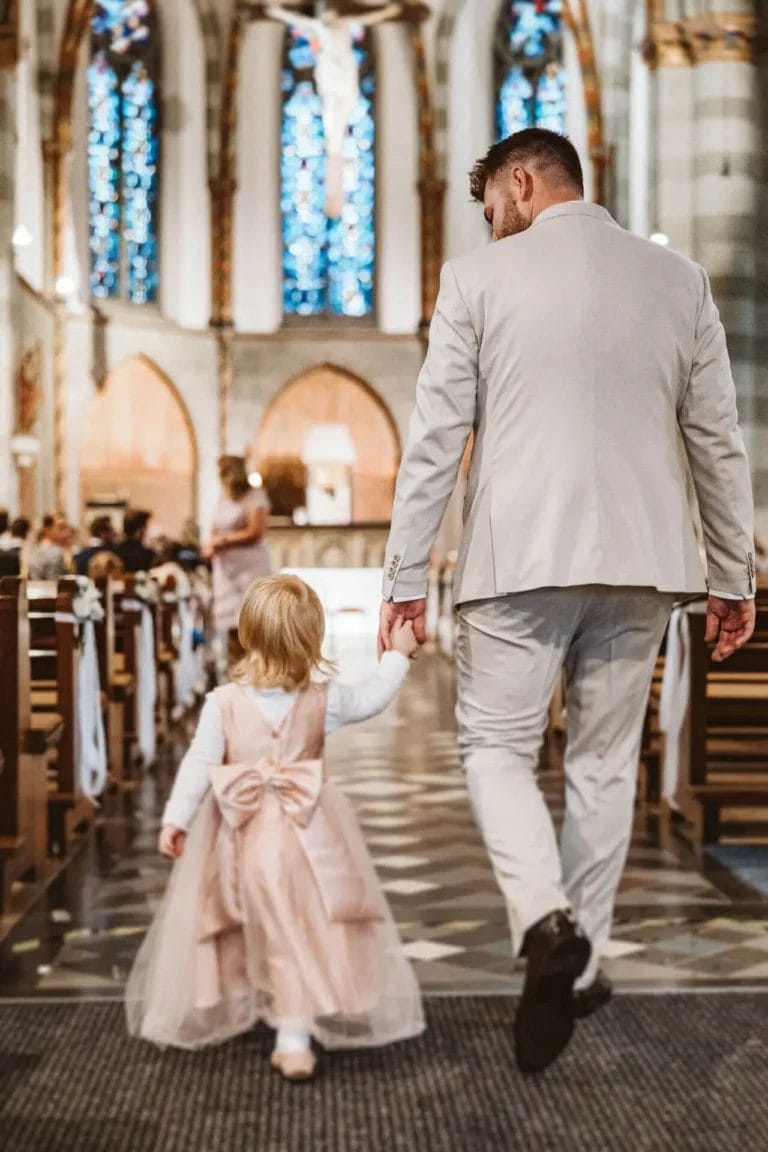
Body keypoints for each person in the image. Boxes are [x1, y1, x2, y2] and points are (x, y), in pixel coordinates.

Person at [378, 128, 756, 1074]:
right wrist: (733, 575)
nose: (492, 227)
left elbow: (436, 438)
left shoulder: (475, 281)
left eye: (491, 209)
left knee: (496, 749)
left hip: (519, 558)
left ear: (522, 182)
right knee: (602, 763)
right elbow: (717, 440)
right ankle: (582, 963)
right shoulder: (680, 283)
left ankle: (547, 921)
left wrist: (404, 577)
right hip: (644, 562)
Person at [126, 574, 424, 1079]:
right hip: (307, 838)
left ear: (247, 633)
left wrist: (176, 818)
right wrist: (398, 654)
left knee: (248, 921)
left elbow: (199, 764)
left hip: (238, 836)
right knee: (299, 928)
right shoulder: (324, 698)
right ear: (312, 637)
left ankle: (280, 1022)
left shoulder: (223, 701)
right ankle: (290, 1032)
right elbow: (374, 697)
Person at [207, 456, 272, 664]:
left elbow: (255, 531)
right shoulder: (223, 498)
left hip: (250, 569)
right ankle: (236, 673)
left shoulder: (255, 496)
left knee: (251, 624)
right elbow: (215, 528)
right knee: (231, 627)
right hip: (226, 571)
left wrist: (224, 540)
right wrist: (210, 545)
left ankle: (257, 673)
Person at [27, 514, 72, 580]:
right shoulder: (56, 552)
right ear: (48, 530)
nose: (67, 533)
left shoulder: (33, 550)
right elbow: (54, 580)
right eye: (59, 528)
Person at [115, 508, 155, 573]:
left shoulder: (116, 551)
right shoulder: (146, 555)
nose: (146, 531)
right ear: (139, 530)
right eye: (145, 527)